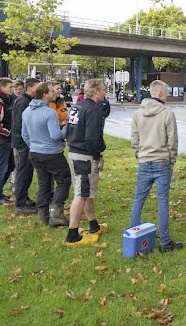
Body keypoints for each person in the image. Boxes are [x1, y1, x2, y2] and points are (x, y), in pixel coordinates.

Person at [130, 80, 183, 252]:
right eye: (166, 92)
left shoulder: (138, 113)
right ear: (160, 93)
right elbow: (172, 140)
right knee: (162, 202)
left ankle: (133, 235)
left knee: (139, 199)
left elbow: (134, 139)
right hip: (162, 162)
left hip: (144, 161)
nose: (167, 95)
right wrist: (171, 160)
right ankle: (165, 242)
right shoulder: (167, 113)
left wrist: (139, 155)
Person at [21, 82, 71, 227]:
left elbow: (24, 134)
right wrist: (66, 128)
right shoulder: (49, 112)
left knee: (44, 184)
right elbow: (55, 135)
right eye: (51, 91)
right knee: (64, 180)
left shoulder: (27, 111)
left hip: (35, 152)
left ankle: (43, 214)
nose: (54, 93)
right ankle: (56, 212)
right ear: (44, 94)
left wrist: (34, 145)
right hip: (52, 153)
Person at [65, 79, 107, 247]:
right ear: (96, 92)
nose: (105, 93)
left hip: (74, 152)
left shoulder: (77, 106)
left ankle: (93, 225)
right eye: (103, 90)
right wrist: (98, 153)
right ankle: (72, 235)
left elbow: (69, 129)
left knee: (87, 191)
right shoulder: (93, 110)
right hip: (84, 156)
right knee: (81, 194)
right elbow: (91, 138)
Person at [11, 78, 39, 215]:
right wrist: (25, 142)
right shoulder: (23, 102)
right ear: (29, 88)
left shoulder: (26, 101)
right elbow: (19, 124)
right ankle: (20, 204)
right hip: (23, 143)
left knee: (27, 172)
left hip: (25, 142)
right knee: (23, 172)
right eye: (36, 87)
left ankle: (24, 198)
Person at [0, 78, 16, 205]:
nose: (13, 89)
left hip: (8, 138)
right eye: (10, 87)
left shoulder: (8, 100)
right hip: (3, 139)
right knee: (2, 167)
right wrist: (9, 133)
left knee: (11, 165)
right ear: (3, 87)